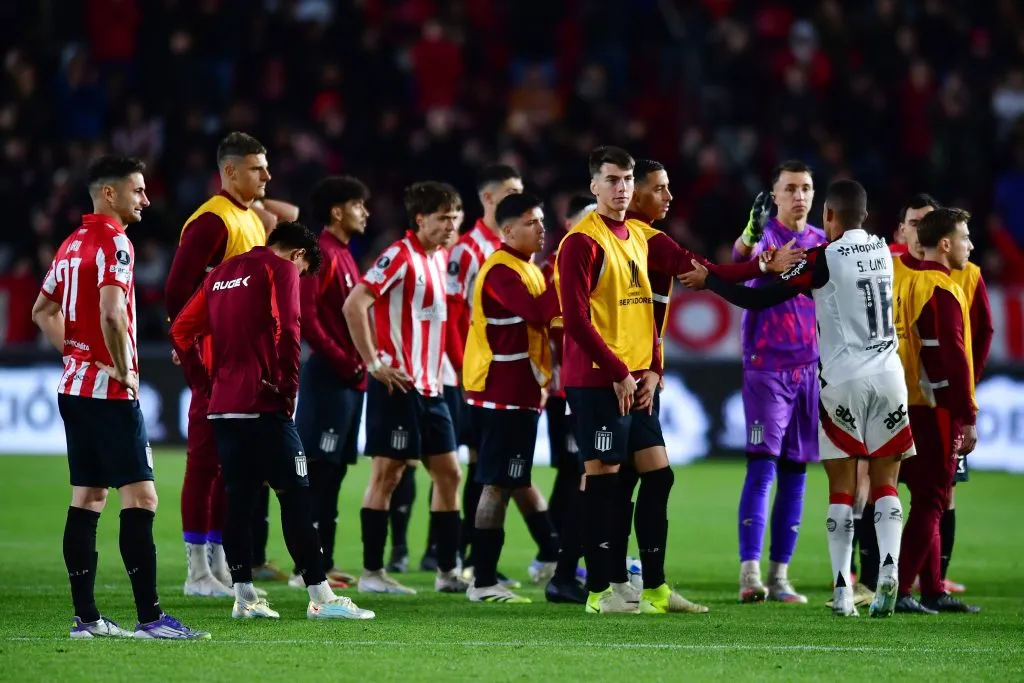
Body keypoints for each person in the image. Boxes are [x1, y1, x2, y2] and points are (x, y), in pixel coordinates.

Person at [556, 145, 802, 614]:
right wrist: (620, 373)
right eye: (614, 180)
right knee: (604, 484)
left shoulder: (642, 237)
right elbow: (576, 320)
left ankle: (653, 588)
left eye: (627, 180)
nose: (623, 188)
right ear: (594, 186)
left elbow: (703, 274)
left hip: (638, 379)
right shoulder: (581, 242)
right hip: (598, 381)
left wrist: (764, 266)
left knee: (657, 476)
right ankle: (598, 590)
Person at [680, 179, 913, 618]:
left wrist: (710, 278)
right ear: (865, 215)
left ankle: (844, 590)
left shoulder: (821, 257)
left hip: (842, 380)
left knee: (842, 488)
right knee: (886, 483)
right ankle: (888, 568)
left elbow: (759, 297)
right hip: (890, 378)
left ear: (828, 217)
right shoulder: (884, 251)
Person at [32, 155, 208, 639]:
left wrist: (78, 354)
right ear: (110, 194)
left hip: (74, 389)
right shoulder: (115, 243)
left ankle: (86, 620)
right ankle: (151, 619)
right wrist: (126, 370)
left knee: (87, 498)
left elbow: (41, 310)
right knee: (142, 496)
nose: (146, 199)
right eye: (138, 190)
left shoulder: (70, 245)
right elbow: (113, 314)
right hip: (109, 394)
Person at [169, 221, 375, 621]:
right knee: (296, 497)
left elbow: (180, 331)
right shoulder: (279, 268)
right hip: (264, 403)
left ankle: (244, 597)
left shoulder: (223, 272)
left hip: (224, 406)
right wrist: (287, 385)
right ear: (297, 255)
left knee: (239, 500)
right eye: (302, 271)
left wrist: (204, 382)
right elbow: (289, 326)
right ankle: (321, 597)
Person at [165, 131, 284, 596]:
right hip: (215, 359)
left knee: (229, 465)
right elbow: (176, 289)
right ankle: (197, 572)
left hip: (241, 359)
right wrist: (189, 350)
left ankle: (216, 566)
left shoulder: (249, 218)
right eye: (258, 168)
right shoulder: (212, 221)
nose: (267, 176)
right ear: (230, 171)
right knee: (204, 462)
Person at [343, 181, 467, 595]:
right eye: (442, 217)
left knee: (449, 473)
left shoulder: (440, 259)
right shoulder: (399, 255)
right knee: (387, 475)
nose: (451, 225)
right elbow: (354, 304)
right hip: (397, 385)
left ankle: (448, 570)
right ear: (420, 218)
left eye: (455, 217)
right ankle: (373, 574)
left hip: (432, 388)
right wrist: (374, 363)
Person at [729, 161, 827, 605]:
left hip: (809, 368)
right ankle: (750, 573)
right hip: (766, 368)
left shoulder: (822, 243)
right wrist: (751, 236)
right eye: (790, 188)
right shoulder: (765, 235)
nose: (800, 196)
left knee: (796, 472)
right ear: (775, 195)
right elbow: (739, 261)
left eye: (806, 188)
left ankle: (780, 575)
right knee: (762, 467)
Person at [463, 192, 563, 603]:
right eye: (531, 222)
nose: (541, 228)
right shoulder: (502, 271)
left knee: (514, 479)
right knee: (497, 484)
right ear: (507, 230)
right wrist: (568, 277)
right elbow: (539, 313)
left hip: (520, 390)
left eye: (541, 221)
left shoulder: (528, 268)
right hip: (502, 391)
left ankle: (552, 554)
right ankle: (483, 580)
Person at [889, 208, 981, 614]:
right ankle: (901, 590)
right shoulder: (942, 289)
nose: (970, 245)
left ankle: (932, 590)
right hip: (933, 408)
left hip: (901, 402)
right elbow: (953, 360)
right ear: (944, 244)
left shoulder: (906, 283)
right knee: (931, 499)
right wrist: (966, 416)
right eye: (964, 237)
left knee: (921, 498)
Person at [445, 164, 531, 587]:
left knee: (489, 471)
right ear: (490, 198)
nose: (519, 198)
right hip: (481, 376)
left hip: (502, 380)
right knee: (478, 470)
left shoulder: (517, 253)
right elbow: (454, 316)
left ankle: (476, 560)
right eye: (512, 192)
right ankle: (462, 560)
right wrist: (467, 370)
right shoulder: (470, 251)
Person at [290, 176, 371, 591]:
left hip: (349, 381)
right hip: (330, 377)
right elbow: (308, 319)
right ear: (337, 210)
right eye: (359, 205)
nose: (366, 212)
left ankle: (324, 562)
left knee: (334, 473)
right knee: (319, 473)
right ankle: (305, 570)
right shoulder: (321, 253)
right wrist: (347, 363)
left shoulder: (346, 255)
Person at [539, 195, 596, 605]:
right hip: (565, 388)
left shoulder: (601, 258)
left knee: (585, 470)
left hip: (590, 384)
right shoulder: (553, 267)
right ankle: (561, 555)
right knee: (572, 470)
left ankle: (575, 556)